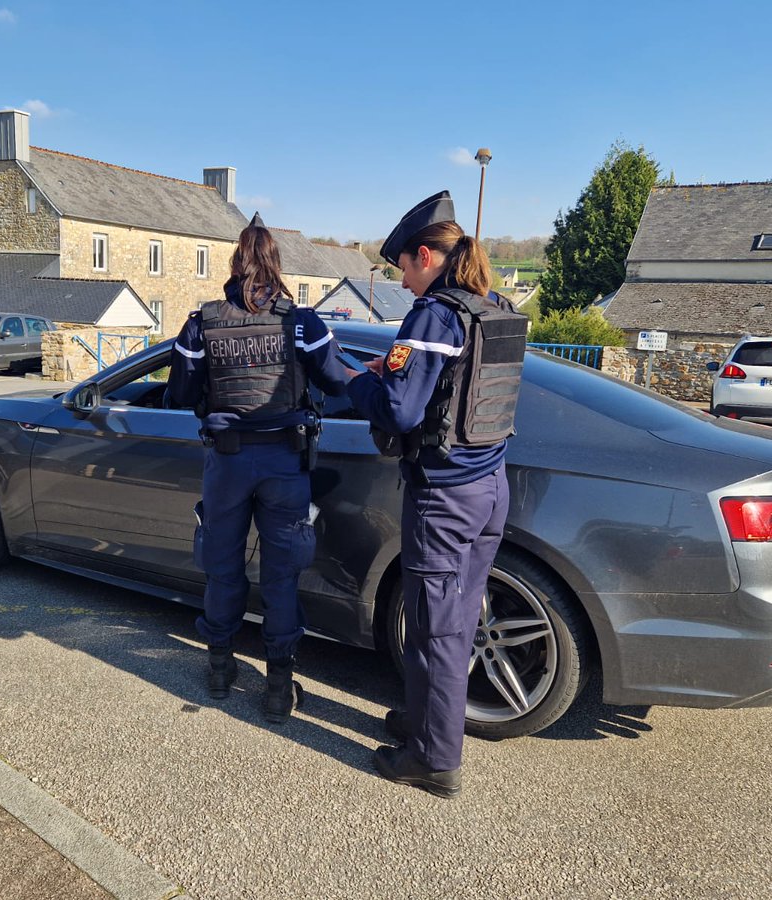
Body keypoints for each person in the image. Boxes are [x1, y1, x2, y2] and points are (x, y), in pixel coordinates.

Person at [345, 191, 528, 797]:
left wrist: (354, 382)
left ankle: (433, 759)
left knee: (435, 629)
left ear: (426, 256)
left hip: (444, 497)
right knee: (454, 618)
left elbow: (400, 410)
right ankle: (428, 724)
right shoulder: (491, 307)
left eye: (403, 265)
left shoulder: (433, 314)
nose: (403, 278)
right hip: (488, 487)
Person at [168, 213, 351, 723]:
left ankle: (221, 670)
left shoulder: (201, 322)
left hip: (226, 461)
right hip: (284, 461)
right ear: (274, 263)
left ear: (235, 263)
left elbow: (179, 393)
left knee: (223, 568)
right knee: (281, 575)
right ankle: (277, 689)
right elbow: (337, 382)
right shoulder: (301, 321)